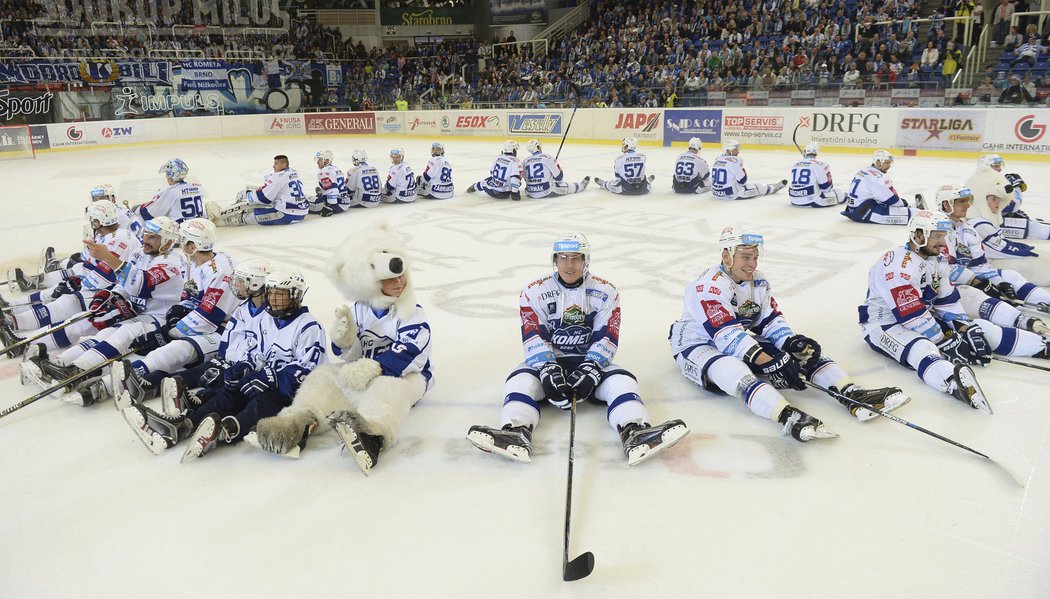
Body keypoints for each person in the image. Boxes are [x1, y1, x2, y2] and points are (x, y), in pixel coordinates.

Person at [466, 232, 690, 465]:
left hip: (590, 360)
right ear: (554, 260)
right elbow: (533, 334)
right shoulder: (534, 291)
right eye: (562, 258)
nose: (569, 264)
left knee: (623, 382)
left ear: (586, 260)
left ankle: (635, 431)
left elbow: (607, 335)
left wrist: (591, 369)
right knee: (519, 382)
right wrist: (548, 370)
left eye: (576, 258)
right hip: (549, 359)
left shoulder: (606, 291)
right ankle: (515, 432)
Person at [669, 226, 907, 441]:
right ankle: (788, 416)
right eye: (745, 257)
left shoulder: (758, 281)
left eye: (755, 257)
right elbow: (726, 336)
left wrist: (791, 343)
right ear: (726, 255)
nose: (752, 264)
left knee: (803, 356)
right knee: (732, 369)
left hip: (734, 335)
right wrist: (772, 362)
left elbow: (768, 320)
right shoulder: (708, 286)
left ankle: (852, 392)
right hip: (696, 344)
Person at [249, 223, 433, 474]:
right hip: (361, 374)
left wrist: (374, 366)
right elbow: (350, 356)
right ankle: (299, 422)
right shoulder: (359, 308)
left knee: (387, 387)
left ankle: (372, 436)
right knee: (323, 375)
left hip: (407, 377)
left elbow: (411, 351)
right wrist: (345, 342)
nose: (399, 282)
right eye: (390, 278)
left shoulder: (411, 312)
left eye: (401, 276)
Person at [121, 269, 327, 462]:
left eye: (280, 294)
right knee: (231, 391)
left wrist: (271, 377)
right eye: (271, 293)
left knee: (260, 403)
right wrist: (246, 366)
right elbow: (259, 354)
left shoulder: (309, 326)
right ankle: (185, 425)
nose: (273, 299)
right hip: (266, 379)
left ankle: (225, 431)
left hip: (289, 392)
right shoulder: (269, 320)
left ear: (296, 295)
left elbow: (309, 372)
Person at [20, 217, 187, 403]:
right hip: (136, 311)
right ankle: (60, 364)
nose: (146, 239)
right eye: (146, 234)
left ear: (168, 241)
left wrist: (107, 256)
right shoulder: (140, 253)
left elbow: (141, 284)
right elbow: (124, 283)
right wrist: (111, 296)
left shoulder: (172, 262)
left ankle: (77, 371)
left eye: (153, 237)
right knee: (96, 325)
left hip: (158, 317)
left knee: (124, 332)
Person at [75, 218, 238, 404]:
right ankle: (94, 373)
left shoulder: (221, 271)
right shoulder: (194, 263)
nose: (178, 242)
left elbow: (208, 317)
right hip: (209, 325)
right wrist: (177, 312)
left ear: (193, 245)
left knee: (175, 349)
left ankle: (105, 387)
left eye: (183, 239)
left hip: (227, 333)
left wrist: (168, 332)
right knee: (148, 347)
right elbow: (191, 299)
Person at [859, 210, 996, 413]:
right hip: (883, 324)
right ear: (919, 235)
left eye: (944, 236)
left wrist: (963, 326)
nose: (943, 243)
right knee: (922, 347)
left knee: (983, 329)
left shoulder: (937, 259)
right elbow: (912, 315)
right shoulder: (899, 269)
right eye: (937, 236)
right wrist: (944, 340)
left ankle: (1040, 345)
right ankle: (953, 382)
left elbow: (947, 300)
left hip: (922, 314)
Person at [110, 258, 272, 412]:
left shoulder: (269, 315)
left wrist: (169, 333)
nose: (236, 284)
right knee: (194, 374)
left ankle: (195, 407)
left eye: (242, 281)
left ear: (255, 284)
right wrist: (223, 356)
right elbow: (232, 336)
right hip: (230, 355)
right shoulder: (244, 306)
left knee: (212, 381)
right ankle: (148, 385)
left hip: (243, 362)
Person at [1, 200, 143, 356]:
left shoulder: (119, 240)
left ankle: (18, 329)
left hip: (116, 292)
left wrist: (79, 285)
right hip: (111, 287)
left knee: (70, 305)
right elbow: (95, 267)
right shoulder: (111, 235)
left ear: (98, 221)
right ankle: (13, 315)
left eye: (93, 221)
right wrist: (78, 281)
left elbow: (106, 275)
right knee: (66, 296)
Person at [935, 184, 1050, 329]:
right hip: (943, 286)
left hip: (967, 278)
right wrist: (978, 283)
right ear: (946, 204)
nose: (968, 205)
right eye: (961, 201)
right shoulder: (936, 231)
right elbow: (947, 269)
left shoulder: (968, 230)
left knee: (1011, 276)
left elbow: (979, 265)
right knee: (976, 297)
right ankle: (1017, 320)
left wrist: (998, 282)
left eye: (968, 200)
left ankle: (1046, 300)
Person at [966, 153, 1050, 243]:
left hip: (985, 221)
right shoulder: (985, 184)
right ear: (986, 166)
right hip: (986, 224)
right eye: (996, 166)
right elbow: (1012, 207)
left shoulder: (979, 180)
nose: (1000, 169)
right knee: (1037, 230)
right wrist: (1016, 188)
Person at [206, 155, 309, 227]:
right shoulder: (293, 172)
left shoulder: (277, 177)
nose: (273, 166)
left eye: (276, 164)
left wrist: (247, 196)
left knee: (249, 216)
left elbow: (264, 199)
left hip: (286, 214)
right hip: (302, 212)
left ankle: (223, 220)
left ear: (284, 164)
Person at [841, 150, 916, 225]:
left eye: (889, 163)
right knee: (914, 214)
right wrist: (904, 204)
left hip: (852, 209)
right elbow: (894, 202)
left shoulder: (864, 170)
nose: (889, 166)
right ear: (877, 162)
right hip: (864, 213)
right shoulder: (879, 178)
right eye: (886, 163)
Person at [133, 159, 205, 230]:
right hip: (199, 227)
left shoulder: (170, 191)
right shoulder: (198, 187)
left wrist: (136, 210)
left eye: (167, 174)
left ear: (171, 177)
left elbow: (150, 214)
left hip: (179, 231)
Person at [710, 140, 786, 200]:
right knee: (758, 186)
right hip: (731, 194)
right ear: (727, 151)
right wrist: (742, 169)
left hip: (715, 193)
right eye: (735, 150)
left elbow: (711, 180)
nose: (738, 152)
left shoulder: (717, 159)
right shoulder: (735, 160)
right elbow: (743, 181)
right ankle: (772, 188)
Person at [521, 139, 589, 199]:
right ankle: (580, 186)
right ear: (538, 147)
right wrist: (556, 166)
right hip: (546, 191)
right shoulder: (547, 157)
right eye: (539, 146)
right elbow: (559, 177)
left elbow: (525, 179)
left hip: (530, 193)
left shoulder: (525, 161)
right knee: (563, 185)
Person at [788, 142, 846, 207]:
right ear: (817, 152)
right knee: (837, 192)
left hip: (793, 200)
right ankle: (846, 198)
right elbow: (826, 188)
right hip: (812, 201)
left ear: (805, 151)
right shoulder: (820, 164)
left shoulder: (795, 164)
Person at [310, 150, 349, 217]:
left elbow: (332, 190)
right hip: (346, 203)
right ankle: (322, 193)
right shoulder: (336, 168)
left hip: (336, 205)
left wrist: (330, 207)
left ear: (327, 161)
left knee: (305, 200)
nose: (317, 162)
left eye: (320, 160)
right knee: (325, 190)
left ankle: (323, 196)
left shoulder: (323, 172)